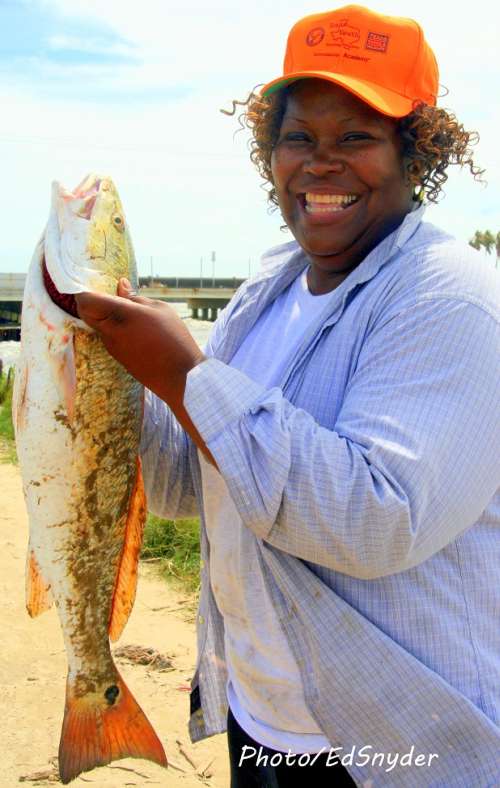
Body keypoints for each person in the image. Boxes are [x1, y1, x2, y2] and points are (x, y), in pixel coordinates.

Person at [75, 6, 500, 786]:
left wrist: (184, 373)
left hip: (395, 743)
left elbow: (376, 522)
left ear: (417, 152)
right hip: (262, 722)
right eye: (298, 137)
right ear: (269, 152)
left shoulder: (450, 297)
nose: (320, 163)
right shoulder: (266, 291)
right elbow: (187, 486)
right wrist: (105, 381)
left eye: (357, 138)